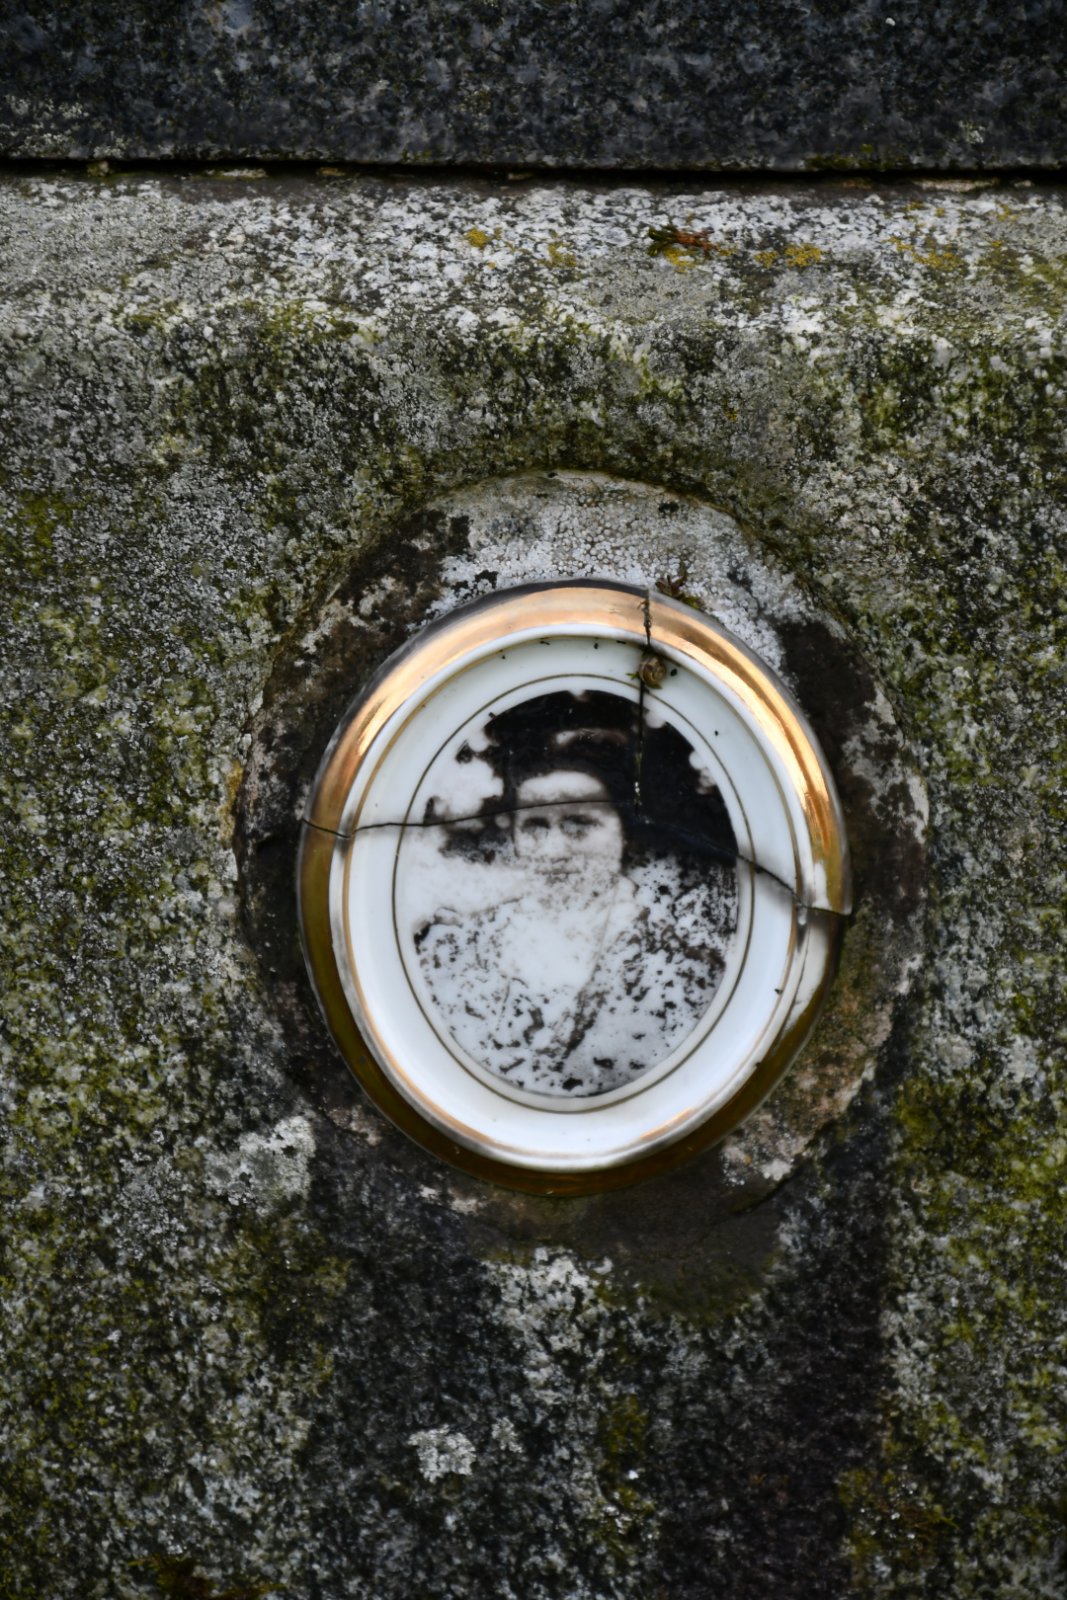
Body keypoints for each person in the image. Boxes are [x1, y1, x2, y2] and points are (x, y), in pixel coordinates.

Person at [407, 689, 738, 1098]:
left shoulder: (683, 970)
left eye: (579, 824)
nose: (554, 850)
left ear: (625, 834)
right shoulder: (452, 951)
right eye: (535, 827)